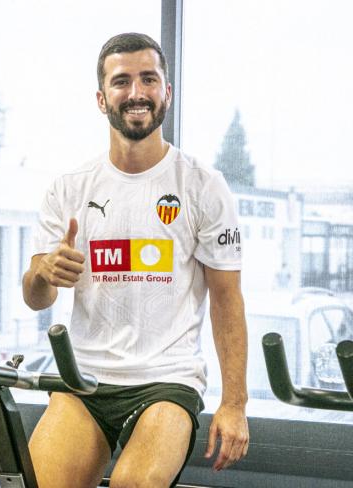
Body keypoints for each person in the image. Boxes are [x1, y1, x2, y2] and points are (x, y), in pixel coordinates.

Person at [22, 32, 249, 488]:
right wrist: (44, 272)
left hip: (167, 379)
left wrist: (234, 403)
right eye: (122, 81)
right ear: (102, 98)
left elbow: (227, 299)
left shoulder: (202, 186)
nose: (136, 92)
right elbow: (35, 296)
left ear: (167, 91)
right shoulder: (70, 188)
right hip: (84, 377)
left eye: (149, 79)